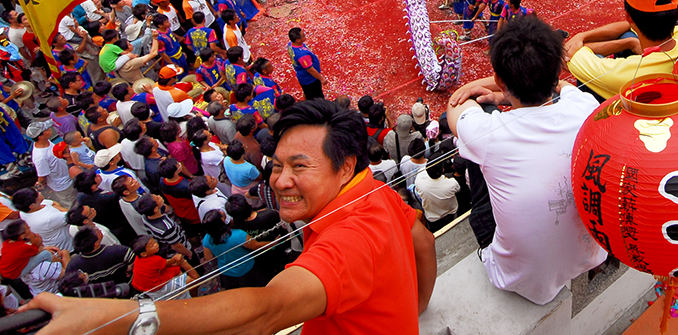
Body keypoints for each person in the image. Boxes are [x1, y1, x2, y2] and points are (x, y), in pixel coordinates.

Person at [25, 99, 439, 334]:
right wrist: (414, 310)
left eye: (300, 166)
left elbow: (267, 309)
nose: (280, 181)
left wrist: (128, 320)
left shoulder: (348, 241)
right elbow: (422, 238)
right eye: (277, 166)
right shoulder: (369, 187)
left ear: (345, 166)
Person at [448, 15, 607, 304]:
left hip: (515, 278)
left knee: (476, 143)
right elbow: (561, 90)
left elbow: (457, 102)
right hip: (591, 252)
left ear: (499, 78)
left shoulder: (491, 135)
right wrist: (505, 94)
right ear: (556, 71)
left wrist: (496, 91)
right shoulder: (585, 106)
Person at [566, 0, 678, 100]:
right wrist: (629, 42)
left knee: (593, 65)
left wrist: (580, 38)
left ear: (628, 16)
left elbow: (568, 53)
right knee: (627, 35)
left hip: (630, 106)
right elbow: (628, 26)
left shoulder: (624, 77)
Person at [28, 120, 77, 208]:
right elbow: (42, 176)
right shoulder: (40, 157)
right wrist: (40, 183)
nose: (50, 130)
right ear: (40, 137)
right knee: (72, 205)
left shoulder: (46, 142)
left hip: (70, 176)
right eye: (46, 130)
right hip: (63, 185)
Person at [12, 189, 74, 253]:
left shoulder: (24, 212)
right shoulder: (48, 218)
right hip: (66, 248)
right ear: (32, 206)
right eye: (37, 195)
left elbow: (53, 203)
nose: (40, 193)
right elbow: (72, 215)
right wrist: (58, 209)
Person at [414, 155, 461, 232]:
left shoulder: (419, 179)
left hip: (432, 218)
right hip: (450, 215)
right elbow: (457, 189)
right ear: (442, 170)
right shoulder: (451, 184)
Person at [287, 27, 324, 99]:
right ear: (297, 40)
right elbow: (310, 69)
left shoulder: (291, 44)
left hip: (303, 76)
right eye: (303, 35)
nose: (305, 36)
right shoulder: (302, 55)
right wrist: (321, 79)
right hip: (310, 79)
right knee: (317, 97)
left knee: (307, 92)